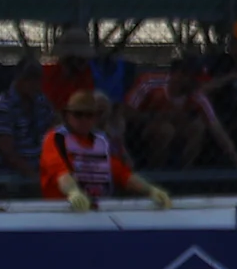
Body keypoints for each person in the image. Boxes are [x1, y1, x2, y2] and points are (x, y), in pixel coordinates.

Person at [40, 88, 170, 209]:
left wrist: (150, 190)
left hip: (98, 208)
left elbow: (121, 172)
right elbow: (60, 173)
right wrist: (73, 192)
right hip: (62, 209)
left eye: (89, 115)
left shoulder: (101, 141)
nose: (84, 119)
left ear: (95, 118)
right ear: (67, 116)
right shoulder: (55, 139)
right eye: (78, 114)